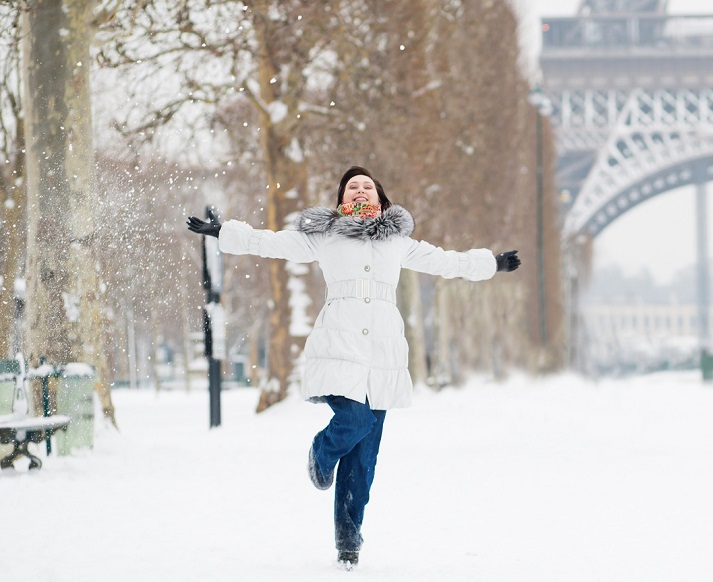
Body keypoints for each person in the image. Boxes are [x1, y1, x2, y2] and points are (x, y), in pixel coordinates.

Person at [186, 166, 521, 571]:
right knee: (354, 421)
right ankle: (321, 453)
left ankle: (348, 541)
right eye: (352, 186)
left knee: (364, 461)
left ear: (380, 197)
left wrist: (492, 263)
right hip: (339, 347)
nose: (360, 190)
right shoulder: (325, 236)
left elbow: (446, 261)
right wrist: (224, 233)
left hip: (382, 357)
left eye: (367, 185)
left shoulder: (399, 242)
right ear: (342, 197)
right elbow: (272, 243)